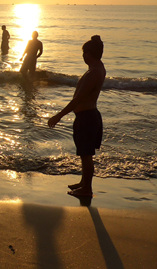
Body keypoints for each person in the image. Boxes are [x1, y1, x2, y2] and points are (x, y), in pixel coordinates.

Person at [48, 35, 106, 198]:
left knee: (86, 155)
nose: (82, 56)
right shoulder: (98, 68)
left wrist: (58, 116)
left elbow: (77, 100)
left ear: (89, 54)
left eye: (84, 53)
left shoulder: (93, 73)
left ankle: (87, 189)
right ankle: (83, 183)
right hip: (89, 116)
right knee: (84, 154)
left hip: (87, 118)